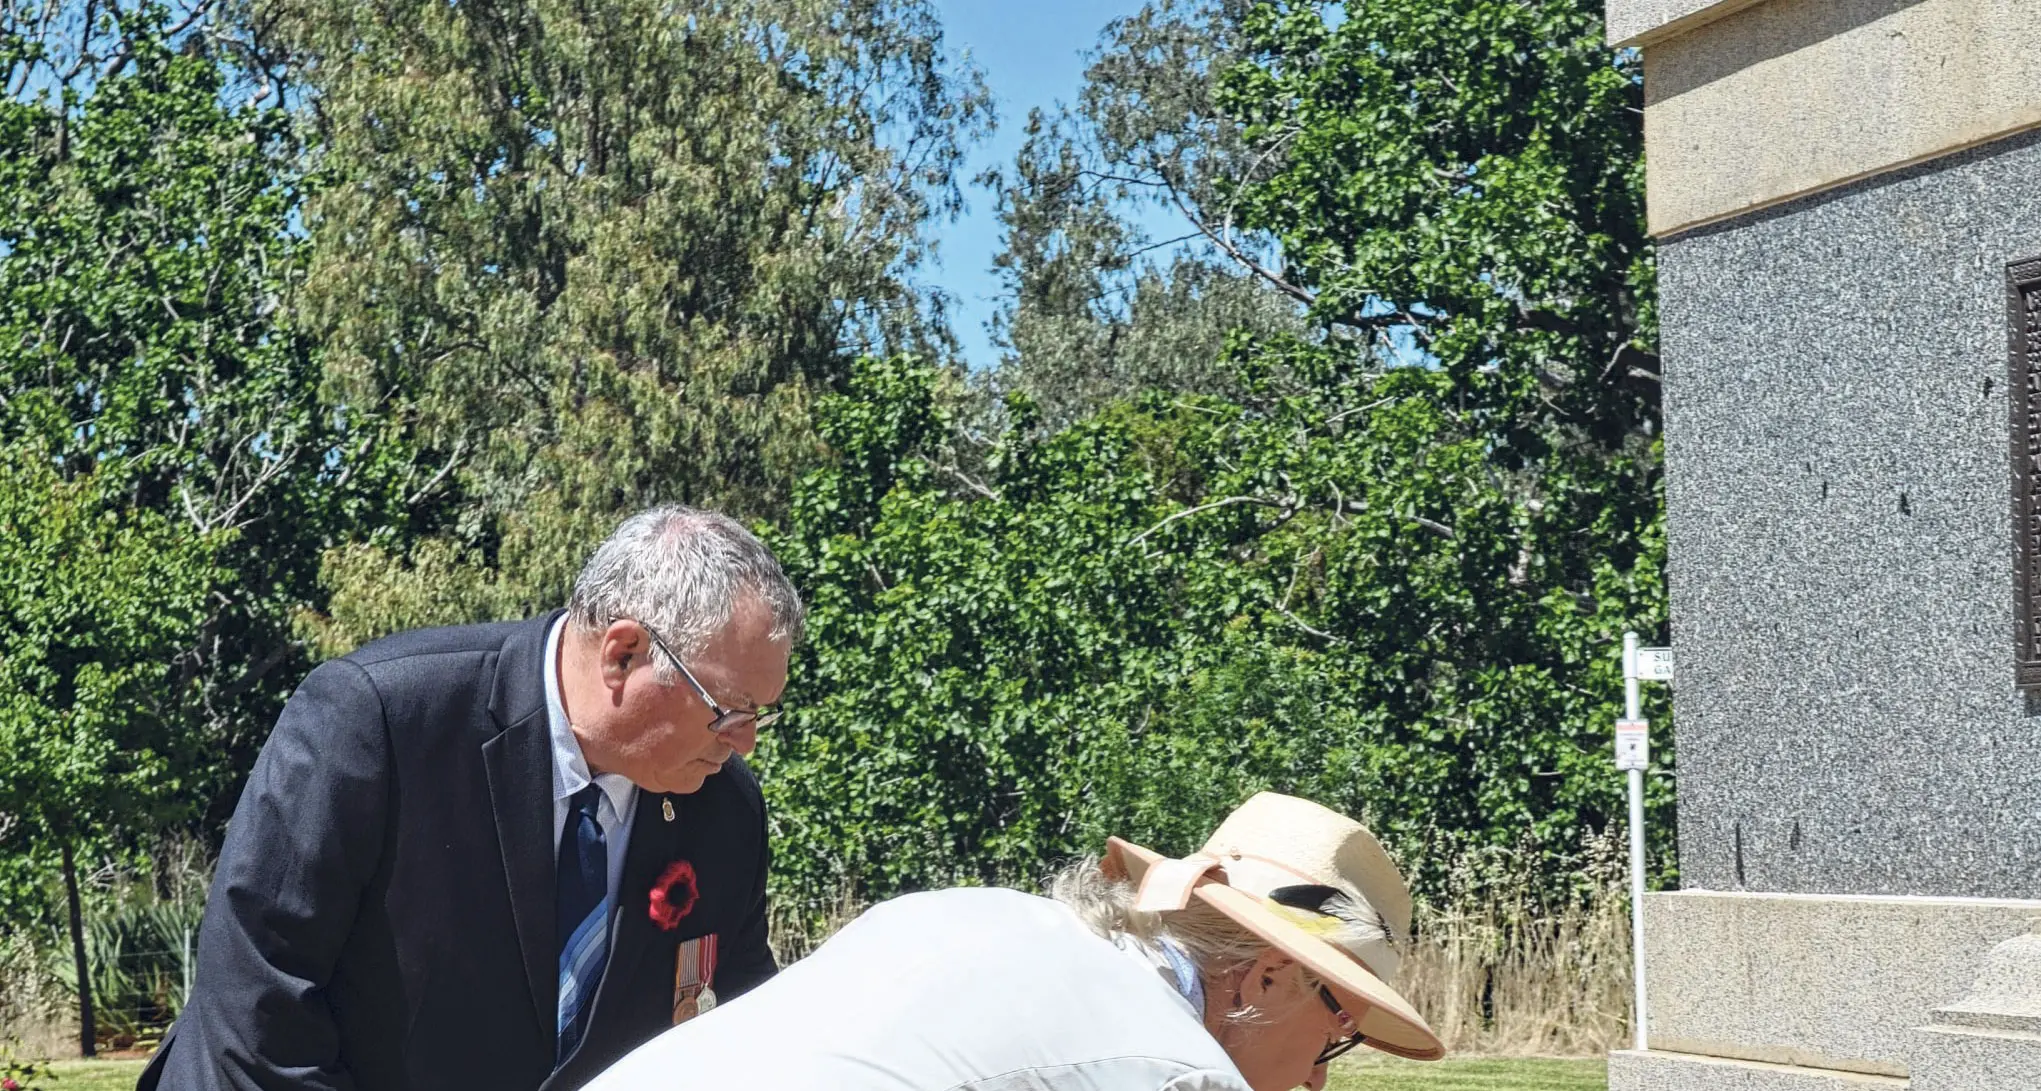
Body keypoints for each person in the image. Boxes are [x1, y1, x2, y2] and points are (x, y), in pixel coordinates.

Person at [138, 506, 803, 1091]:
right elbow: (257, 1004)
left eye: (760, 714)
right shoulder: (377, 719)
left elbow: (738, 1029)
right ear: (622, 654)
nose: (743, 742)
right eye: (727, 707)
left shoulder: (724, 809)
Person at [585, 791, 1446, 1091]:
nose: (1316, 1079)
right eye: (1337, 1033)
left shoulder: (975, 911)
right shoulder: (1178, 1072)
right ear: (1267, 975)